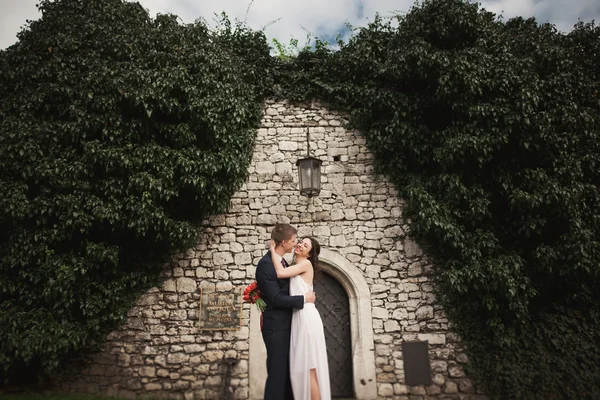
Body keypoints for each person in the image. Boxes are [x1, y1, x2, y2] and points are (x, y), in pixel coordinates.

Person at [256, 223, 317, 400]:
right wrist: (303, 299)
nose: (295, 243)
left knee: (288, 376)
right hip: (277, 328)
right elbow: (275, 299)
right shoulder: (266, 264)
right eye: (293, 240)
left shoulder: (281, 262)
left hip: (289, 326)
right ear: (284, 242)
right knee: (277, 375)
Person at [269, 236, 331, 400]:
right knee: (301, 369)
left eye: (305, 245)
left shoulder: (305, 264)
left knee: (309, 370)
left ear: (310, 253)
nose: (300, 245)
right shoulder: (296, 266)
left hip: (306, 318)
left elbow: (280, 273)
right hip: (299, 317)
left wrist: (272, 251)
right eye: (300, 242)